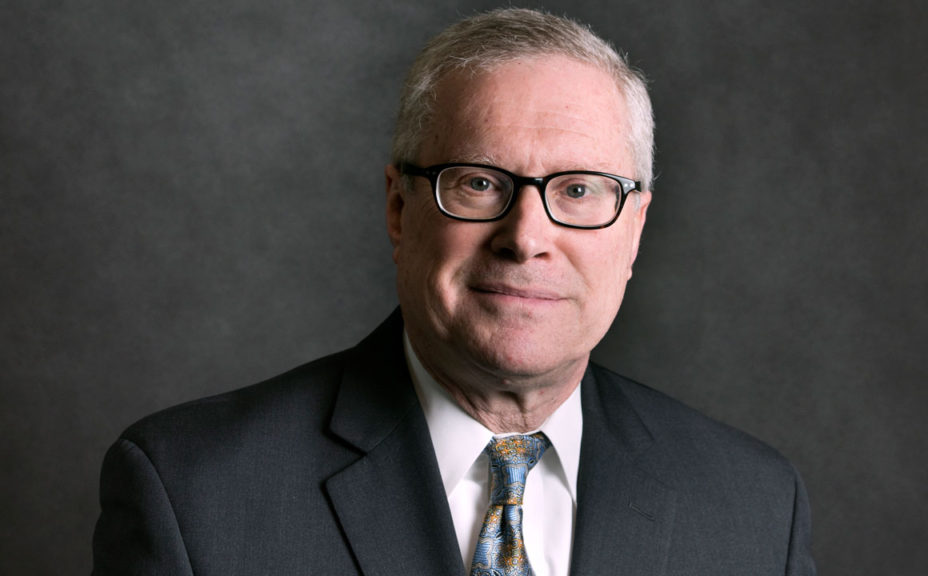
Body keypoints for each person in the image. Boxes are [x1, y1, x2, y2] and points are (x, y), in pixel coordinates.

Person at [92, 8, 815, 576]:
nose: (526, 235)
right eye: (479, 182)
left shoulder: (753, 506)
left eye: (580, 189)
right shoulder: (192, 493)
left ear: (634, 229)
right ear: (399, 209)